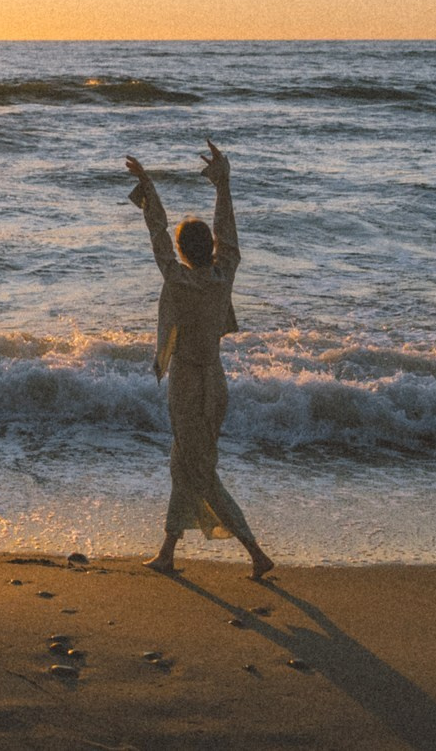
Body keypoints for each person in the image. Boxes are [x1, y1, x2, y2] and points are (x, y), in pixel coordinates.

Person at [126, 140, 274, 580]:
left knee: (198, 470)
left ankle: (255, 551)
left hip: (189, 384)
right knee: (185, 463)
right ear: (207, 247)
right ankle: (168, 551)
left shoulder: (178, 281)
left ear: (183, 250)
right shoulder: (222, 276)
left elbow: (158, 237)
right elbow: (228, 233)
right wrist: (222, 181)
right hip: (217, 382)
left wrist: (148, 187)